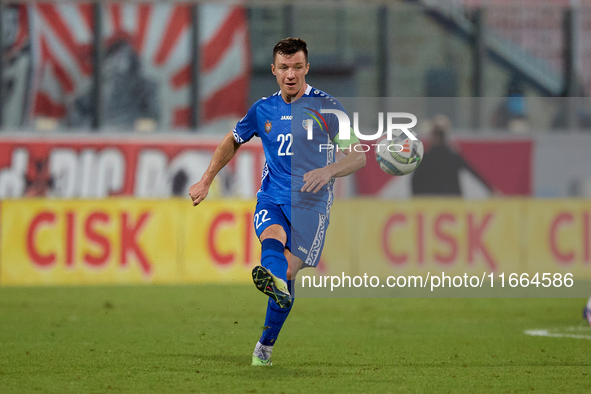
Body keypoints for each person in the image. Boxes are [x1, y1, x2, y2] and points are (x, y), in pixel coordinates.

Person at [188, 38, 366, 366]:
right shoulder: (263, 109)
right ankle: (275, 281)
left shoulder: (327, 108)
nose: (290, 74)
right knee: (272, 240)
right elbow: (233, 139)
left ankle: (265, 344)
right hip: (272, 196)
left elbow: (357, 157)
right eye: (284, 67)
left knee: (286, 277)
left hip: (311, 207)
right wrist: (206, 179)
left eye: (297, 67)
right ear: (273, 70)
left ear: (307, 68)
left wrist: (329, 170)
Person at [411, 115, 494, 196]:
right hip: (447, 203)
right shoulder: (450, 156)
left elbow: (414, 182)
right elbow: (415, 181)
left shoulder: (449, 156)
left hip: (440, 203)